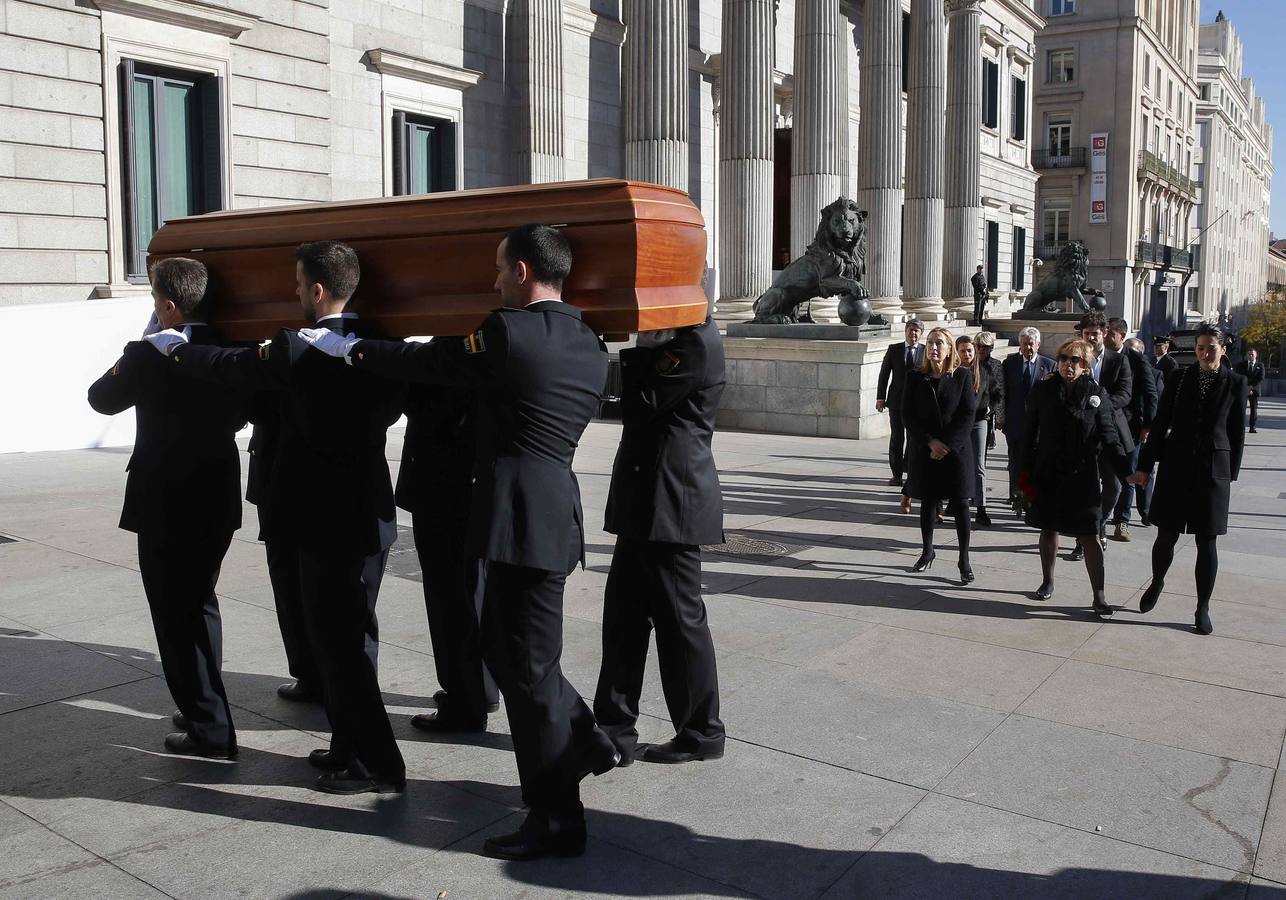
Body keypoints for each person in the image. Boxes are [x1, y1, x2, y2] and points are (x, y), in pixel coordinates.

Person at [298, 224, 619, 861]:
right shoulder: (588, 337)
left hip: (519, 518)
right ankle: (581, 738)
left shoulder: (506, 331)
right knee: (506, 650)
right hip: (548, 512)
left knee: (527, 671)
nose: (493, 281)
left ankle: (557, 816)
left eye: (500, 269)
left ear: (525, 272)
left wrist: (353, 349)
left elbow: (434, 362)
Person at [144, 241, 408, 795]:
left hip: (328, 519)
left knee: (343, 645)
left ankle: (376, 763)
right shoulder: (383, 344)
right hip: (364, 511)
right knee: (343, 641)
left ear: (316, 290)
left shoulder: (298, 347)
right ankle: (347, 742)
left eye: (295, 284)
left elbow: (228, 365)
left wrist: (171, 348)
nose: (290, 292)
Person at [88, 258, 246, 759]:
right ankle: (202, 701)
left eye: (155, 300)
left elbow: (100, 399)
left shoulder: (147, 354)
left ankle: (209, 728)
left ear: (169, 306)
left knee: (175, 614)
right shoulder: (230, 350)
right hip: (217, 492)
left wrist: (139, 346)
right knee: (200, 601)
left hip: (164, 502)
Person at [594, 317, 726, 767]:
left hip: (671, 504)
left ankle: (701, 731)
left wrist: (642, 347)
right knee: (623, 619)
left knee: (679, 623)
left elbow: (639, 403)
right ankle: (613, 727)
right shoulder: (678, 339)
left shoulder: (693, 343)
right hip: (647, 502)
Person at [1130, 324, 1247, 635]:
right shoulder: (1180, 378)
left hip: (1212, 471)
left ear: (1223, 349)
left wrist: (1229, 473)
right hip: (1176, 464)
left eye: (1211, 348)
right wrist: (1144, 465)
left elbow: (1236, 432)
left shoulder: (1236, 382)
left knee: (1206, 541)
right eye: (1200, 348)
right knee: (1165, 534)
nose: (1205, 353)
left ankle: (1202, 607)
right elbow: (1160, 422)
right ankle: (1157, 581)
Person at [398, 384, 499, 732]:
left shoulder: (455, 353)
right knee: (471, 592)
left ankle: (464, 699)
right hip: (465, 483)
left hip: (445, 484)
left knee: (450, 597)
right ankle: (479, 687)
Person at [1019, 339, 1131, 619]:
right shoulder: (1043, 390)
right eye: (1065, 358)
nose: (1069, 364)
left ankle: (1099, 595)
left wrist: (1126, 470)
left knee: (1090, 535)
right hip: (1048, 472)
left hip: (1083, 475)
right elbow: (1029, 433)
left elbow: (1109, 436)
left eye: (1076, 360)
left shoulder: (1097, 393)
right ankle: (1047, 581)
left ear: (1086, 366)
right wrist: (1023, 472)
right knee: (1049, 528)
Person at [903, 327, 977, 583]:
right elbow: (907, 415)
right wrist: (930, 442)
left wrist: (946, 444)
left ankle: (964, 559)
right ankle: (927, 551)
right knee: (928, 502)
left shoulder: (962, 376)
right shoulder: (915, 377)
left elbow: (968, 414)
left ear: (949, 349)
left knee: (962, 504)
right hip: (926, 451)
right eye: (930, 343)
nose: (933, 348)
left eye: (939, 344)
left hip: (955, 452)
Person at [1068, 311, 1133, 561]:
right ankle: (1083, 538)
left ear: (1104, 333)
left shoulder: (1119, 361)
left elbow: (1125, 393)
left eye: (1095, 333)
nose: (1091, 338)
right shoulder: (1074, 358)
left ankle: (1100, 523)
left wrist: (1100, 403)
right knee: (1085, 489)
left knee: (1113, 487)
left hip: (1109, 431)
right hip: (1082, 434)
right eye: (1087, 334)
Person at [1105, 319, 1157, 543]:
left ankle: (1121, 521)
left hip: (1130, 426)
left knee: (1127, 474)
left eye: (1110, 333)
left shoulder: (1136, 360)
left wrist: (1147, 426)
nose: (1106, 336)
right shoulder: (1098, 356)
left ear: (1122, 336)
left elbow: (1150, 394)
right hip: (1103, 424)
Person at [998, 326, 1055, 501]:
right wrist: (1001, 418)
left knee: (1035, 460)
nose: (1028, 348)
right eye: (1024, 344)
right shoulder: (1009, 364)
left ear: (1038, 345)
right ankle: (1014, 494)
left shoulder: (1049, 365)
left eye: (1031, 344)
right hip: (1014, 421)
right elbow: (1003, 392)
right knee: (1014, 461)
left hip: (1038, 424)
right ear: (1020, 345)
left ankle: (1032, 494)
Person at [956, 333, 1001, 527]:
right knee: (955, 463)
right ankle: (955, 500)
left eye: (969, 351)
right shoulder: (954, 371)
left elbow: (996, 392)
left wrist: (991, 407)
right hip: (957, 423)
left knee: (979, 465)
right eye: (962, 351)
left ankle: (981, 507)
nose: (966, 354)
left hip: (979, 420)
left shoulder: (984, 370)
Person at [876, 319, 925, 487]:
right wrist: (880, 397)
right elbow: (884, 374)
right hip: (896, 402)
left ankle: (910, 471)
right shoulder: (894, 349)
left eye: (917, 331)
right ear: (905, 331)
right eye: (911, 330)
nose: (913, 333)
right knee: (897, 437)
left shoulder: (925, 351)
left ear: (921, 334)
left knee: (913, 439)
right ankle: (896, 474)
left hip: (917, 404)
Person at [1236, 348, 1265, 433]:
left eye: (1252, 354)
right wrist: (1246, 388)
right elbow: (1238, 376)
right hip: (1243, 389)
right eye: (1249, 354)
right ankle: (1240, 426)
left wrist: (1251, 387)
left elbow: (1261, 378)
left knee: (1254, 410)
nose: (1250, 356)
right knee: (1241, 409)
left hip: (1254, 390)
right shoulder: (1241, 365)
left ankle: (1252, 427)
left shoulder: (1260, 365)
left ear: (1256, 355)